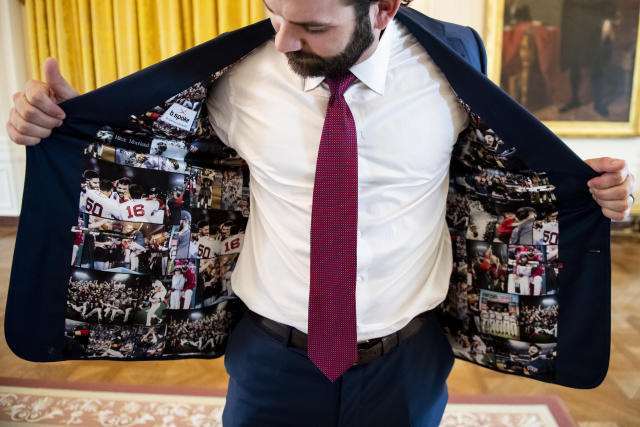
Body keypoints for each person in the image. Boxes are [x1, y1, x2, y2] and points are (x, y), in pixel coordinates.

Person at [5, 0, 636, 425]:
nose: (282, 38)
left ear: (384, 8)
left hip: (407, 362)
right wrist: (67, 122)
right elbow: (151, 150)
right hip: (272, 359)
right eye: (273, 12)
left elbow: (500, 170)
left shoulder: (456, 61)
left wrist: (591, 191)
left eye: (310, 25)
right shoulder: (239, 73)